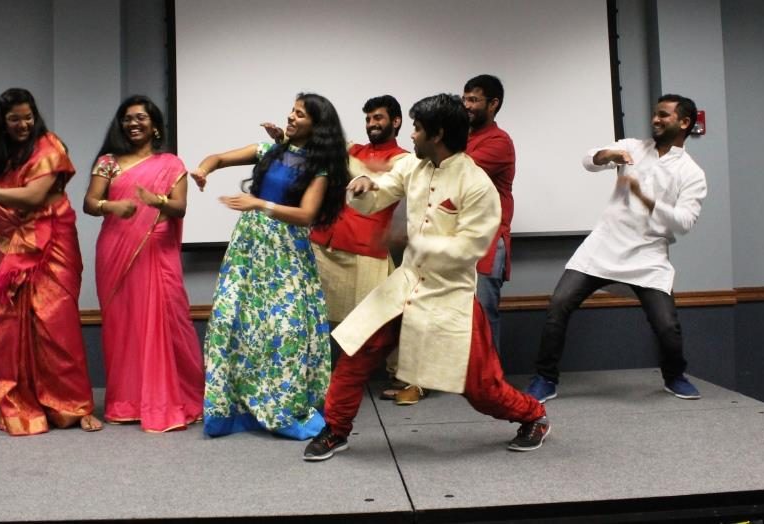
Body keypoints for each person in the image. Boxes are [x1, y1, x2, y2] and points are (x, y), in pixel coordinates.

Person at [303, 94, 549, 461]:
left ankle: (534, 416)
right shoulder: (414, 168)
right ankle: (335, 429)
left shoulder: (477, 184)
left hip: (448, 298)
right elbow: (383, 190)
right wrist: (365, 187)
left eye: (417, 129)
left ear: (437, 134)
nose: (412, 135)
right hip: (403, 286)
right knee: (355, 352)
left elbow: (471, 248)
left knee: (481, 388)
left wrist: (414, 239)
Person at [524, 94, 708, 404]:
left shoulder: (692, 173)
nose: (655, 120)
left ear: (684, 123)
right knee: (559, 305)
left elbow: (685, 222)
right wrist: (606, 154)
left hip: (648, 255)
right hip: (603, 245)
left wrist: (646, 199)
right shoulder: (634, 148)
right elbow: (588, 160)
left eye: (663, 115)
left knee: (666, 326)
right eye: (654, 114)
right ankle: (545, 378)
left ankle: (674, 376)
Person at [190, 93, 349, 439]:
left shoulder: (318, 167)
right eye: (291, 111)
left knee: (285, 330)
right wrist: (202, 170)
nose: (291, 117)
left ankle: (284, 404)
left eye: (300, 114)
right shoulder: (267, 151)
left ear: (317, 126)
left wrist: (258, 203)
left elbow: (306, 215)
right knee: (235, 323)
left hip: (286, 251)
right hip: (249, 247)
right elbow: (217, 158)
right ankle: (236, 409)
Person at [0, 88, 102, 435]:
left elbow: (33, 197)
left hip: (52, 245)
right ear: (2, 121)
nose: (23, 123)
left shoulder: (50, 146)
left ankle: (74, 407)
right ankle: (23, 407)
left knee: (56, 326)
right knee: (11, 332)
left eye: (28, 116)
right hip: (8, 249)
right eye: (14, 118)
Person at [268, 95, 423, 404]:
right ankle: (307, 378)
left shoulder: (405, 160)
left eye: (378, 118)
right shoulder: (353, 150)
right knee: (311, 315)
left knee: (385, 319)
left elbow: (382, 181)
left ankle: (410, 381)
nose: (372, 124)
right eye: (368, 119)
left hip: (364, 249)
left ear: (396, 122)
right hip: (324, 242)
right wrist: (286, 139)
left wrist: (360, 169)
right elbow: (322, 151)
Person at [83, 95, 203, 433]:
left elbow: (179, 209)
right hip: (116, 250)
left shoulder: (171, 164)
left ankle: (170, 398)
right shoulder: (109, 161)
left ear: (155, 126)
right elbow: (90, 202)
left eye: (140, 118)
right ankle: (126, 401)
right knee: (123, 324)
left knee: (168, 319)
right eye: (127, 118)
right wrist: (112, 207)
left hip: (157, 250)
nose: (133, 124)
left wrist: (158, 201)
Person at [463, 74, 516, 355]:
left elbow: (459, 174)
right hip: (459, 239)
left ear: (493, 104)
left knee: (483, 314)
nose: (467, 105)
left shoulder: (499, 142)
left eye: (474, 99)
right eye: (465, 99)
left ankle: (492, 384)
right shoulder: (461, 139)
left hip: (487, 241)